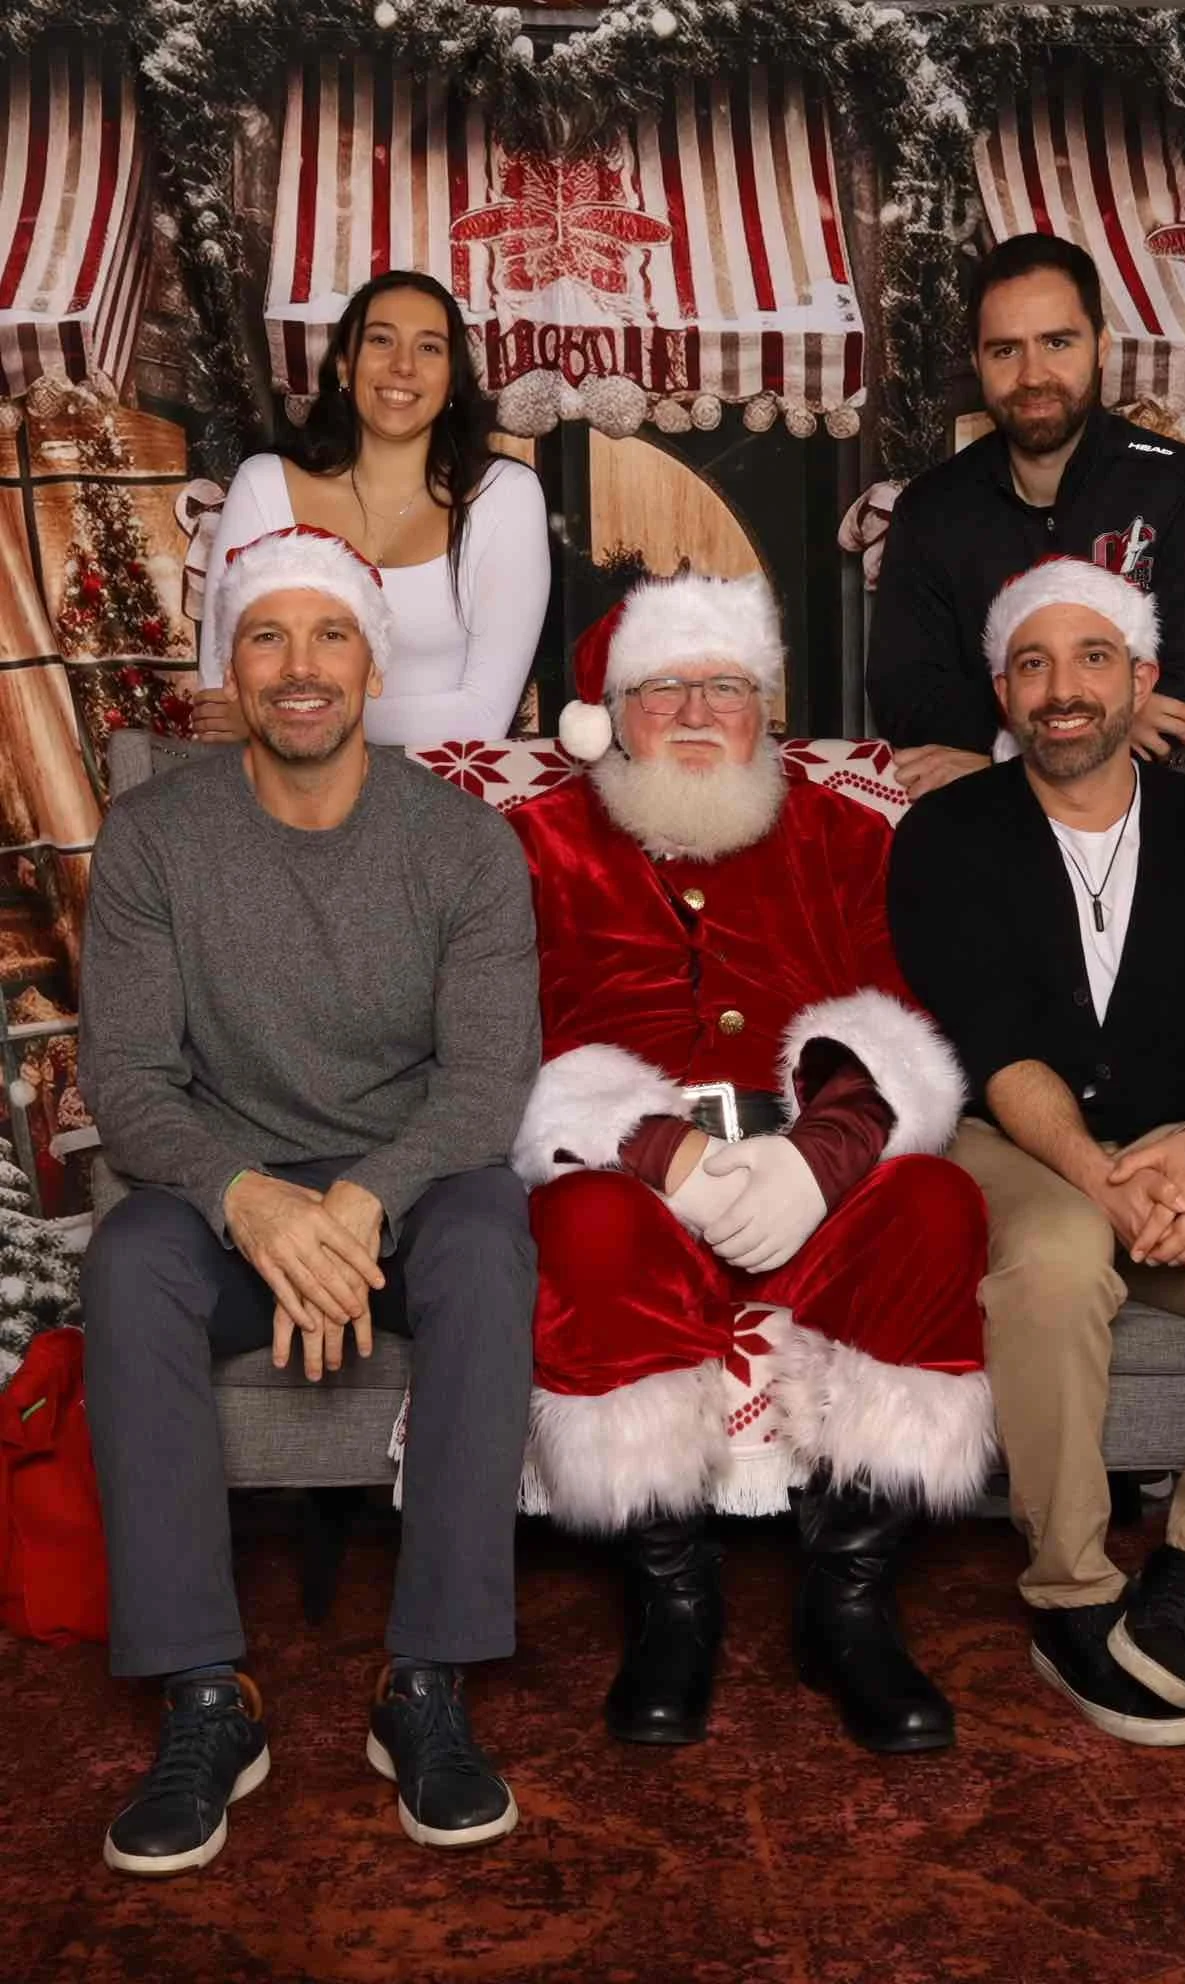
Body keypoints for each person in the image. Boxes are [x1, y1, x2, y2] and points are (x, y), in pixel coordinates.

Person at [79, 524, 540, 1873]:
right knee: (126, 1262)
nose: (298, 667)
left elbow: (486, 1083)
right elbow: (128, 1078)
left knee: (485, 1245)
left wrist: (348, 1209)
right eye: (266, 635)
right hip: (229, 1204)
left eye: (328, 634)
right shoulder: (156, 835)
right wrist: (254, 1207)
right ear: (232, 659)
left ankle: (428, 1684)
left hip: (406, 1193)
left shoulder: (462, 846)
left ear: (369, 664)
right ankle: (206, 1694)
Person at [506, 570, 993, 1757]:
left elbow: (893, 1007)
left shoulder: (838, 831)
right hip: (624, 1159)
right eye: (662, 685)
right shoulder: (531, 842)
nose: (693, 710)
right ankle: (673, 1599)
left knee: (934, 1200)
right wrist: (657, 1148)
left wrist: (820, 1156)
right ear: (610, 714)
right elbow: (498, 1041)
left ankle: (850, 1603)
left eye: (725, 686)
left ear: (764, 709)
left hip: (806, 1143)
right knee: (587, 1230)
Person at [888, 556, 1185, 1747]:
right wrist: (1101, 1175)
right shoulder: (947, 834)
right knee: (1056, 1256)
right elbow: (991, 1043)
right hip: (1024, 1144)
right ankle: (1074, 1591)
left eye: (1092, 659)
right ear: (1003, 692)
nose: (1063, 688)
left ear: (1140, 682)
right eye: (1033, 664)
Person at [866, 233, 1185, 802]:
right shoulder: (931, 507)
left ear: (1101, 346)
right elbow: (908, 697)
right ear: (976, 361)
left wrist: (1000, 748)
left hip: (1151, 820)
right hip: (988, 825)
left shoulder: (1178, 486)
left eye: (1057, 342)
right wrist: (1098, 728)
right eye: (1005, 350)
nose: (1033, 374)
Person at [196, 270, 550, 747]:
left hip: (444, 799)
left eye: (429, 348)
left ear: (451, 380)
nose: (403, 365)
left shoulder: (505, 496)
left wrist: (288, 722)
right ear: (345, 365)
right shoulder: (265, 485)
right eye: (381, 340)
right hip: (283, 798)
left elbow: (483, 716)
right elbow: (223, 697)